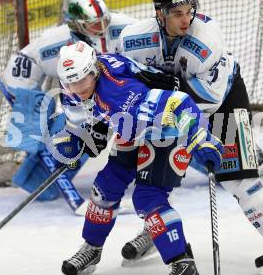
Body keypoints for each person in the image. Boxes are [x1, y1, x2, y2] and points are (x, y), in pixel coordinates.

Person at [114, 0, 263, 274]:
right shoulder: (133, 39)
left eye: (190, 11)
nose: (186, 19)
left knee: (235, 175)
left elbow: (207, 101)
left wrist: (162, 96)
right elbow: (125, 79)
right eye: (177, 13)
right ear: (159, 14)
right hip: (171, 108)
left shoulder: (206, 39)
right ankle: (158, 230)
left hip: (221, 101)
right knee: (153, 176)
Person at [58, 41, 223, 275]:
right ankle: (92, 248)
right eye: (70, 82)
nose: (77, 87)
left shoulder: (121, 92)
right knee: (105, 187)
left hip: (166, 130)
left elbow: (179, 103)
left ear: (94, 71)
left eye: (82, 80)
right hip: (131, 128)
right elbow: (81, 119)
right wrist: (80, 138)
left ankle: (182, 261)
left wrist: (200, 137)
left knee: (148, 197)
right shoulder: (72, 88)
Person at [1, 0, 136, 201]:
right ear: (77, 24)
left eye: (104, 20)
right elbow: (25, 60)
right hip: (84, 106)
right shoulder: (56, 41)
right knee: (76, 138)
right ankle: (41, 180)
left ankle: (199, 160)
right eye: (94, 23)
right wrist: (27, 98)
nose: (102, 28)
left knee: (162, 120)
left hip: (127, 98)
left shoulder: (125, 27)